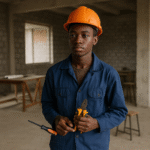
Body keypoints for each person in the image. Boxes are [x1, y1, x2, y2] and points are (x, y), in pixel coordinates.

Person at [41, 6, 128, 150]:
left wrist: (97, 123)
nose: (78, 40)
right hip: (62, 145)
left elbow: (119, 111)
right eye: (73, 35)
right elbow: (47, 104)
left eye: (84, 35)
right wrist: (56, 119)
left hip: (94, 145)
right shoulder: (54, 73)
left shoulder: (109, 74)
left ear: (95, 39)